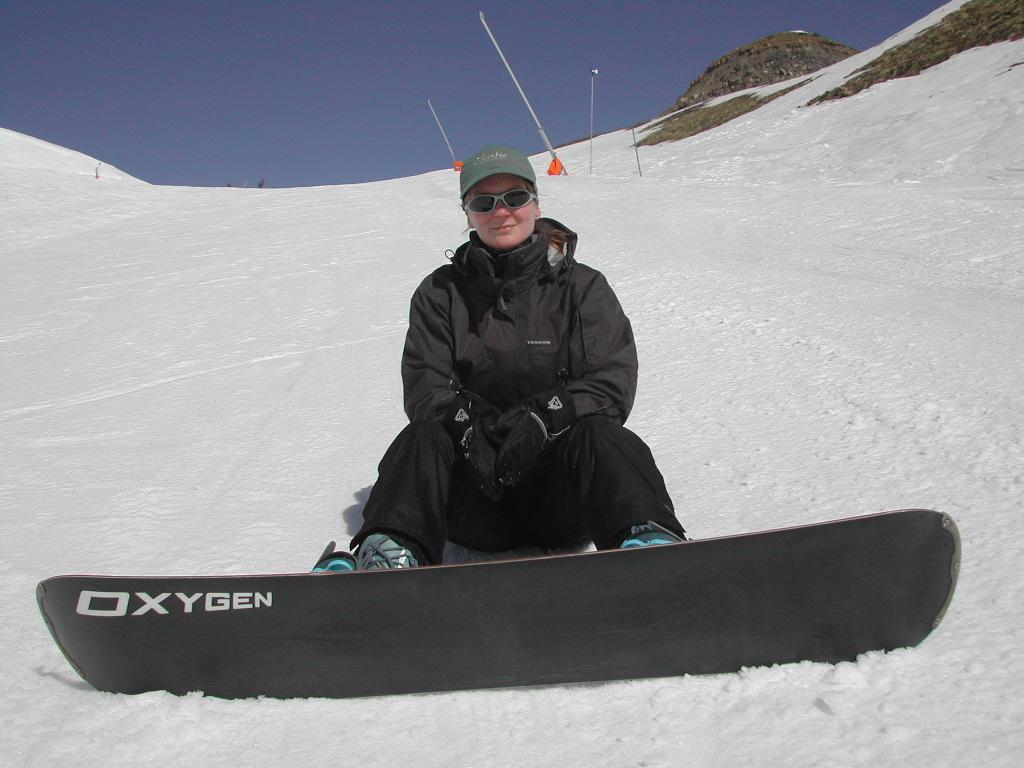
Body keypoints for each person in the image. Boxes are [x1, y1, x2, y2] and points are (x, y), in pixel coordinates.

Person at [315, 146, 686, 572]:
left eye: (515, 197)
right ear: (468, 215)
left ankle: (648, 542)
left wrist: (548, 415)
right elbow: (424, 387)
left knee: (602, 434)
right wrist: (467, 424)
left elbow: (610, 379)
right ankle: (391, 554)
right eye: (484, 203)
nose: (501, 211)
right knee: (421, 437)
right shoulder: (440, 293)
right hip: (474, 504)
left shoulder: (582, 287)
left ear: (536, 205)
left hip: (562, 502)